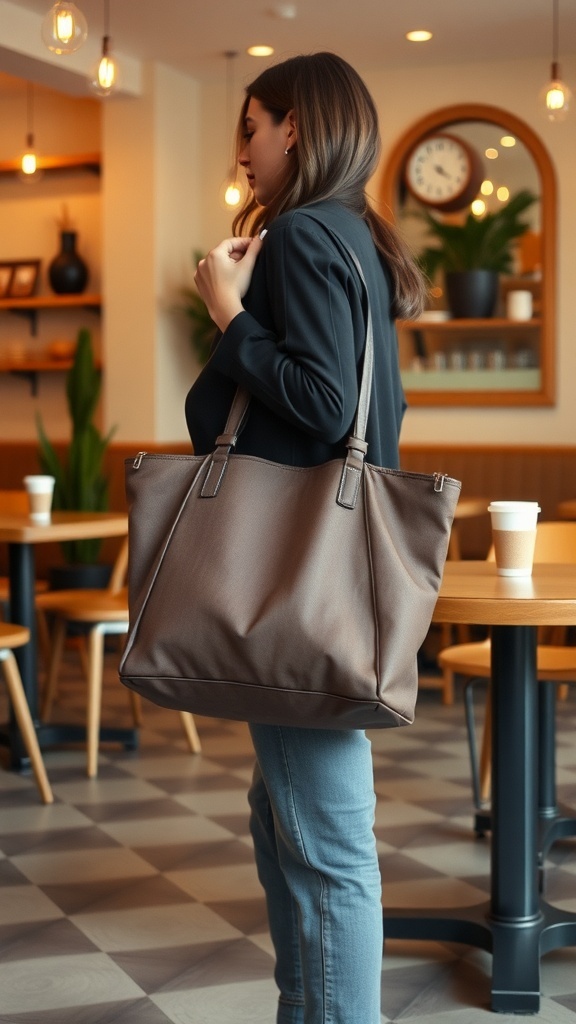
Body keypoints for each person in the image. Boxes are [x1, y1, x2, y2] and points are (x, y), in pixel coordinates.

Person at [187, 52, 425, 1024]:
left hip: (293, 577)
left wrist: (228, 313)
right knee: (285, 814)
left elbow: (328, 407)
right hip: (321, 571)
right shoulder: (353, 236)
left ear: (296, 129)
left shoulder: (302, 236)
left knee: (328, 842)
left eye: (249, 129)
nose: (239, 153)